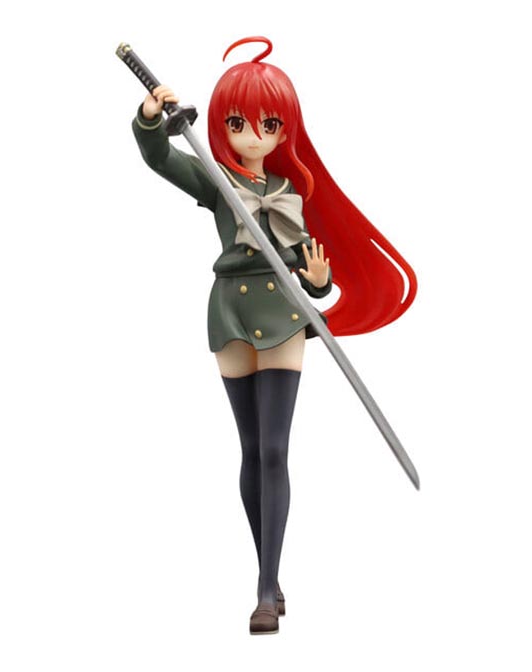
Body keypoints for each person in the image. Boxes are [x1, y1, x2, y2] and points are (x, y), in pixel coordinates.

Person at [132, 36, 417, 635]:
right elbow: (162, 160)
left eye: (267, 124)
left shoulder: (290, 193)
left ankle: (267, 587)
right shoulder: (216, 181)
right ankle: (269, 572)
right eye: (239, 123)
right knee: (250, 448)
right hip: (231, 314)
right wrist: (152, 119)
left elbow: (315, 272)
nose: (253, 135)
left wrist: (319, 281)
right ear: (222, 126)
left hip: (283, 316)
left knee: (275, 450)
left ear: (283, 130)